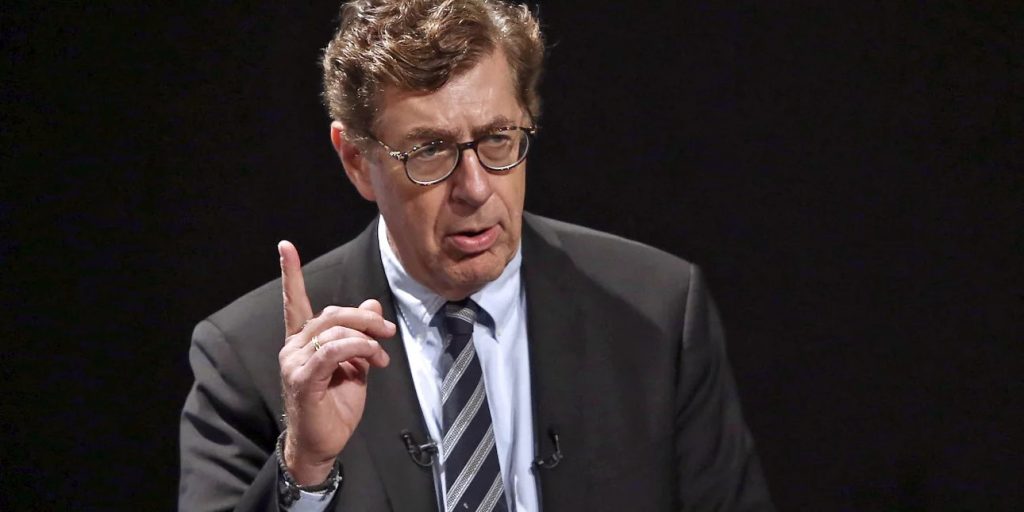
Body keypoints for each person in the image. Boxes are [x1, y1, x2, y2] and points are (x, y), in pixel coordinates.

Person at [179, 1, 773, 510]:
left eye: (497, 139)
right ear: (357, 161)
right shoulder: (248, 358)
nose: (476, 188)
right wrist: (304, 469)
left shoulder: (656, 314)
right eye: (430, 151)